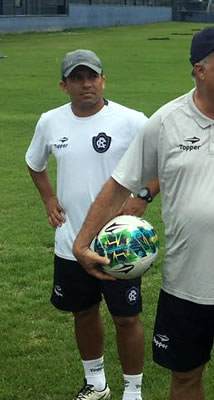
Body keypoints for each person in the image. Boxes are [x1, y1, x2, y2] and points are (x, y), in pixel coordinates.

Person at [72, 25, 214, 400]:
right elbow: (118, 184)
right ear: (200, 70)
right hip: (184, 285)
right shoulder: (166, 122)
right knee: (184, 379)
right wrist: (82, 242)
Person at [25, 49, 159, 400]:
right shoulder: (49, 122)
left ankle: (133, 392)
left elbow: (164, 161)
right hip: (70, 242)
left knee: (127, 319)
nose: (86, 84)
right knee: (83, 313)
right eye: (76, 78)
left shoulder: (132, 121)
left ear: (103, 81)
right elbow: (34, 163)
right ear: (64, 85)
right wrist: (48, 199)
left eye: (92, 77)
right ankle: (96, 383)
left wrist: (142, 195)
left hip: (119, 246)